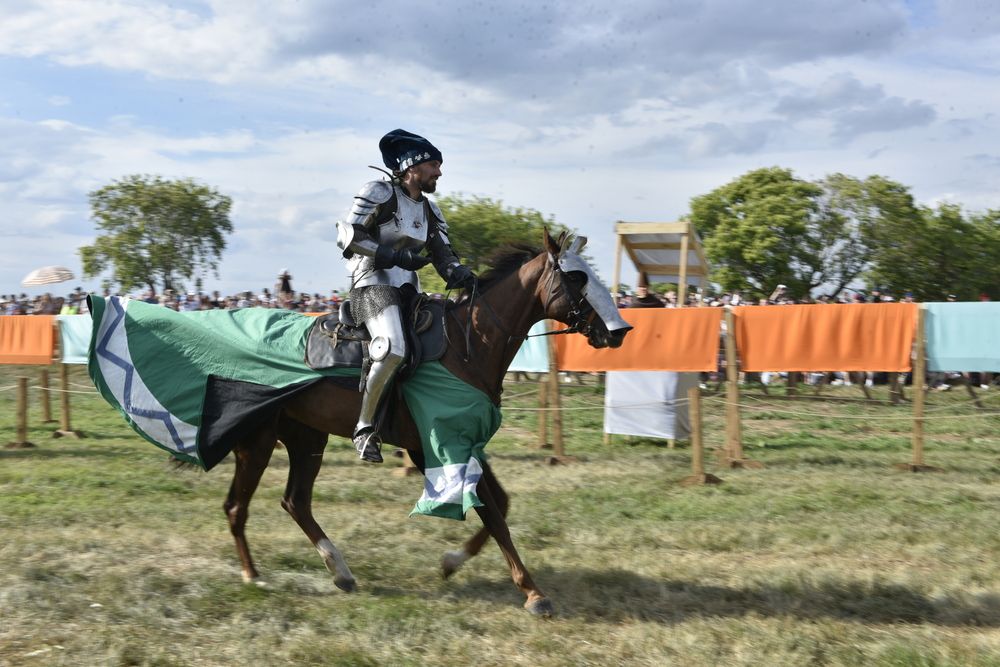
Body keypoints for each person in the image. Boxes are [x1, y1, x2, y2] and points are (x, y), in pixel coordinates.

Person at [335, 129, 476, 463]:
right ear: (413, 166)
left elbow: (443, 254)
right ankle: (364, 429)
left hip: (409, 288)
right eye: (434, 165)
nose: (439, 172)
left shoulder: (429, 210)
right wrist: (391, 255)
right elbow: (348, 235)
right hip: (371, 283)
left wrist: (459, 272)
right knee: (394, 348)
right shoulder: (379, 192)